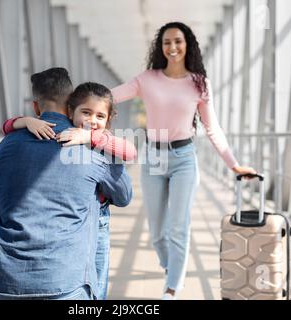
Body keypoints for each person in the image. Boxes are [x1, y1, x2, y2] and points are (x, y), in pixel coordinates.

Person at [108, 22, 256, 300]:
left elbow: (213, 128)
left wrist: (233, 165)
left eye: (178, 41)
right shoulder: (146, 79)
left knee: (178, 227)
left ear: (187, 44)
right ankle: (171, 267)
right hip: (153, 158)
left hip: (184, 158)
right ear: (160, 46)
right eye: (166, 42)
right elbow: (109, 97)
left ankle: (172, 288)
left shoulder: (199, 83)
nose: (172, 47)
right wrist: (73, 102)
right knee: (156, 233)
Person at [0, 68, 132, 300]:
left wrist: (21, 122)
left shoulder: (7, 145)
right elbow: (124, 196)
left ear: (35, 107)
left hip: (4, 281)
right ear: (71, 105)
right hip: (65, 283)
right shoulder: (91, 149)